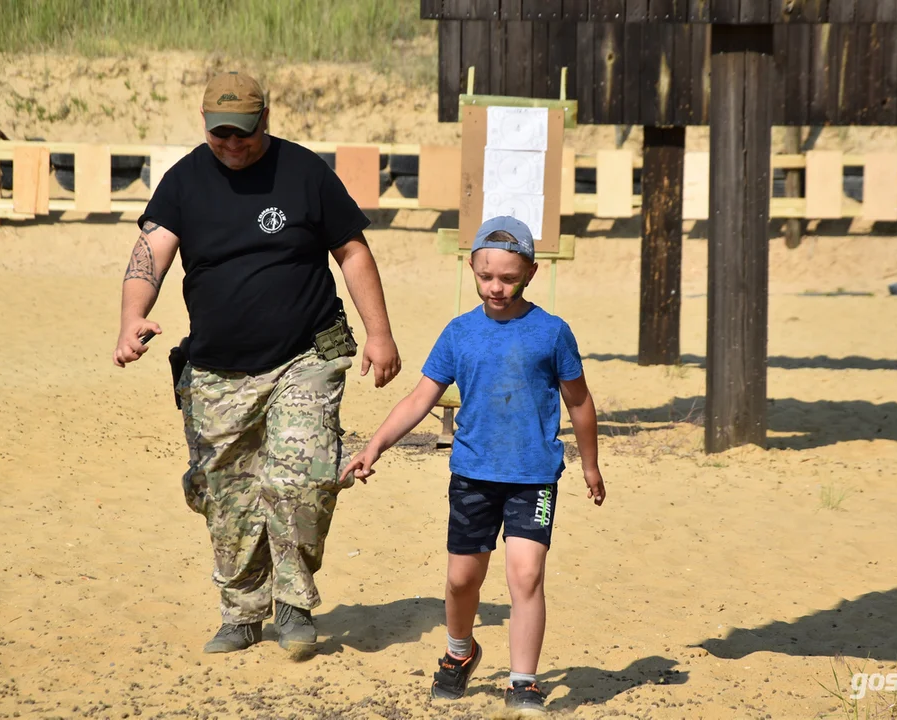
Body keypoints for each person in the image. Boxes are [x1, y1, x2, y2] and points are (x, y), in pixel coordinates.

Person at [112, 71, 402, 657]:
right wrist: (132, 317)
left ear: (264, 120)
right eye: (221, 134)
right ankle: (243, 612)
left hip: (305, 355)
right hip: (218, 368)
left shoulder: (304, 172)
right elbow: (151, 252)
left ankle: (293, 603)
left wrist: (380, 333)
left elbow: (352, 251)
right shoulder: (185, 180)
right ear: (204, 125)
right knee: (227, 492)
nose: (233, 144)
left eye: (243, 133)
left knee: (301, 477)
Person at [339, 215, 606, 714]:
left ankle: (523, 681)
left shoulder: (551, 332)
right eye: (487, 277)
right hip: (473, 476)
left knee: (525, 576)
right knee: (463, 579)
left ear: (530, 270)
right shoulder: (459, 333)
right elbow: (420, 398)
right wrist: (374, 445)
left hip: (534, 477)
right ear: (472, 269)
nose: (497, 287)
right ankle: (460, 652)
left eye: (508, 277)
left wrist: (589, 463)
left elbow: (580, 402)